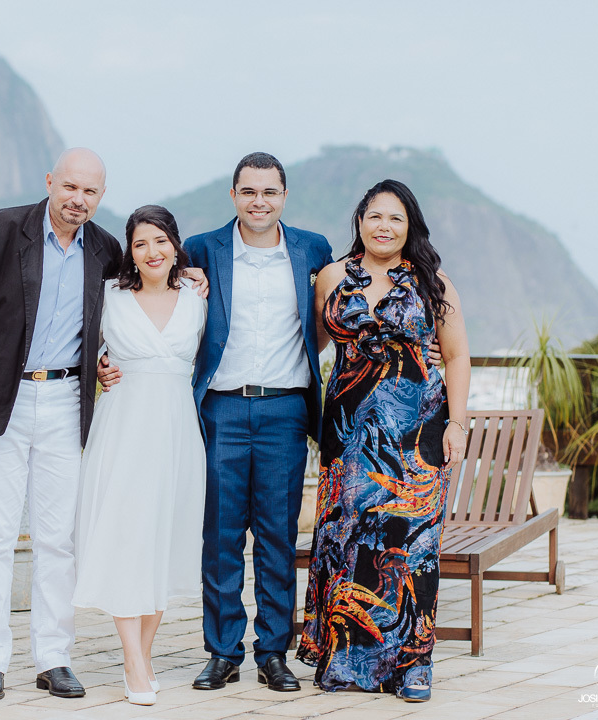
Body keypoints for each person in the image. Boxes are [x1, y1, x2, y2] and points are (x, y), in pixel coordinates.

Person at [0, 148, 121, 702]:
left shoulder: (106, 250)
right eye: (69, 187)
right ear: (49, 182)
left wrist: (105, 357)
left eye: (89, 192)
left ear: (99, 196)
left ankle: (54, 657)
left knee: (58, 540)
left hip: (66, 400)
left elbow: (124, 307)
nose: (77, 199)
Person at [296, 179, 470, 703]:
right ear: (359, 221)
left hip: (417, 435)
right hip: (347, 437)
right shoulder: (331, 277)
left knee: (411, 544)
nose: (384, 226)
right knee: (346, 539)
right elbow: (311, 340)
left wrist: (458, 424)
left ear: (409, 225)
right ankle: (346, 659)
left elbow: (457, 355)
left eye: (395, 218)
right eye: (375, 216)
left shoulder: (432, 283)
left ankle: (413, 665)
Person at [185, 152, 333, 692]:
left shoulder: (312, 249)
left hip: (286, 411)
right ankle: (222, 651)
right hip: (222, 408)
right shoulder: (202, 249)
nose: (259, 202)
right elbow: (159, 301)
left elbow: (330, 316)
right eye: (249, 192)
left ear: (284, 197)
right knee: (221, 535)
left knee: (276, 536)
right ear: (233, 196)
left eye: (269, 192)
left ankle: (273, 652)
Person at [72, 205, 207, 706]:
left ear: (175, 244)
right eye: (141, 243)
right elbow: (79, 347)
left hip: (176, 431)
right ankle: (132, 659)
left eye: (160, 241)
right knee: (126, 537)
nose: (152, 252)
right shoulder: (109, 295)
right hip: (124, 428)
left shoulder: (198, 296)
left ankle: (143, 656)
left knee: (163, 541)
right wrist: (100, 368)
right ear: (130, 250)